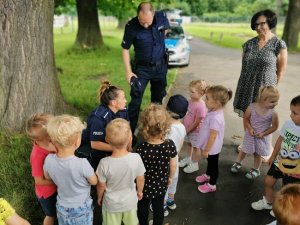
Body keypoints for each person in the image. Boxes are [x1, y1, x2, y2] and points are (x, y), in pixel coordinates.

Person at [121, 2, 170, 133]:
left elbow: (166, 30)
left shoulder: (161, 17)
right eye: (142, 22)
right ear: (138, 15)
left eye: (148, 22)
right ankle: (129, 135)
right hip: (141, 70)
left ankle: (156, 130)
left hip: (160, 67)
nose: (146, 25)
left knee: (158, 99)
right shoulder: (131, 26)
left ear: (153, 14)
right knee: (136, 99)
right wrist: (128, 72)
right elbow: (125, 49)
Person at [44, 115, 98, 225]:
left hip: (62, 207)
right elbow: (94, 181)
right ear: (77, 142)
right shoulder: (82, 164)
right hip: (81, 208)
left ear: (53, 141)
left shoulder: (49, 160)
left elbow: (47, 177)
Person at [233, 9, 287, 117]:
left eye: (262, 24)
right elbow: (244, 69)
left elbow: (280, 72)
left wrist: (272, 91)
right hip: (247, 88)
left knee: (262, 122)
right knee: (248, 120)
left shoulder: (279, 45)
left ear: (270, 23)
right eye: (256, 24)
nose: (258, 27)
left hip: (265, 91)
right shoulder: (248, 45)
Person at [251, 95, 300, 213]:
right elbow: (280, 140)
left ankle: (282, 209)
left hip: (294, 169)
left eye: (294, 113)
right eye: (291, 112)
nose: (291, 115)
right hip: (280, 160)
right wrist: (273, 155)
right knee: (268, 181)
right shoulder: (288, 124)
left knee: (286, 191)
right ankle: (268, 201)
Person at [96, 118, 145, 225]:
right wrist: (140, 191)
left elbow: (101, 185)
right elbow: (140, 178)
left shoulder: (104, 163)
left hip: (111, 204)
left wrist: (99, 197)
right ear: (130, 139)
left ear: (106, 140)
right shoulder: (136, 158)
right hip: (129, 201)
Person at [136, 104, 177, 225]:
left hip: (144, 186)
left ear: (145, 127)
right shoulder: (169, 145)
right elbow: (173, 165)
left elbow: (139, 172)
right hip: (161, 184)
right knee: (158, 207)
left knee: (142, 206)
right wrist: (170, 177)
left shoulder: (141, 148)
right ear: (165, 126)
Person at [231, 86, 279, 179]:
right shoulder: (252, 107)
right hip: (250, 134)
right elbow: (246, 119)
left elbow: (275, 127)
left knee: (257, 154)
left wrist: (264, 134)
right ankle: (238, 163)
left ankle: (256, 169)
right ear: (263, 99)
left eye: (276, 101)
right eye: (272, 101)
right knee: (244, 149)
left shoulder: (273, 113)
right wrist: (249, 128)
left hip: (262, 137)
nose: (275, 104)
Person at [78, 80, 128, 170]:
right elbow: (95, 143)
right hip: (94, 144)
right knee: (98, 156)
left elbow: (127, 128)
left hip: (110, 140)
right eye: (123, 98)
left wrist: (129, 147)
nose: (126, 101)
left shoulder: (123, 109)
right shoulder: (99, 118)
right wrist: (119, 150)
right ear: (113, 103)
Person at [195, 85, 232, 193]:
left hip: (211, 148)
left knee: (213, 164)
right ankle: (207, 175)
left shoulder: (216, 118)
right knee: (210, 162)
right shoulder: (213, 111)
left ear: (217, 102)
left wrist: (206, 150)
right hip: (210, 146)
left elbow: (213, 136)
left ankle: (212, 185)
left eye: (207, 98)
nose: (204, 100)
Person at [26, 114, 57, 225]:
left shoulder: (50, 142)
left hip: (56, 187)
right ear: (47, 136)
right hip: (47, 193)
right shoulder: (37, 156)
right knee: (50, 215)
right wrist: (56, 181)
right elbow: (39, 181)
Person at [164, 95, 188, 214]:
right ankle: (171, 201)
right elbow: (181, 143)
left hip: (163, 162)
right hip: (175, 159)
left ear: (167, 110)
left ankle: (162, 207)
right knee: (173, 181)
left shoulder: (165, 128)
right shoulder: (182, 127)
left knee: (164, 184)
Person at [179, 80, 207, 173]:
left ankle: (195, 164)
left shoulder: (201, 106)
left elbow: (197, 122)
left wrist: (187, 130)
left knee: (196, 147)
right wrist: (183, 125)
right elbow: (186, 114)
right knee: (189, 144)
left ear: (201, 93)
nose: (189, 93)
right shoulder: (190, 101)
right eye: (189, 91)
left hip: (196, 131)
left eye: (192, 92)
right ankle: (188, 158)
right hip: (187, 129)